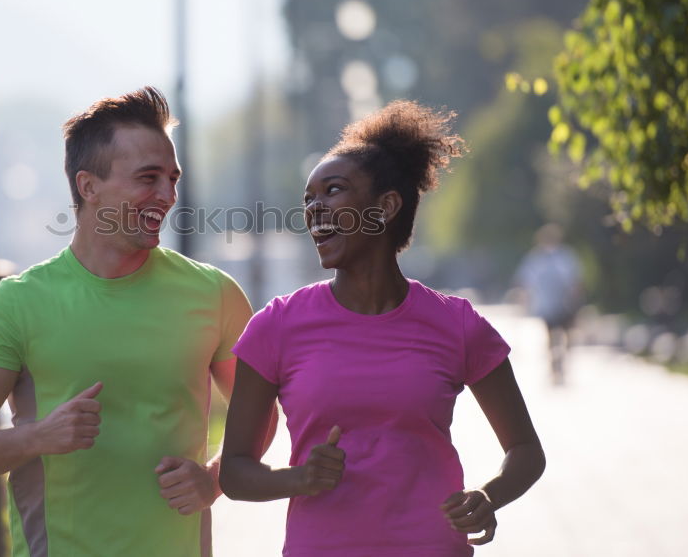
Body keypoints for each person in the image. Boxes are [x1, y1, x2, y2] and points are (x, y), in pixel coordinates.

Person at [0, 87, 270, 557]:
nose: (168, 196)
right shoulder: (19, 303)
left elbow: (262, 411)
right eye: (148, 178)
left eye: (172, 178)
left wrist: (214, 479)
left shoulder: (214, 294)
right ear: (88, 186)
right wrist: (38, 437)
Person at [219, 101, 545, 556]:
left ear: (386, 207)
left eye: (332, 190)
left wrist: (488, 497)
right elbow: (233, 471)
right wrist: (298, 478)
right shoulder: (276, 326)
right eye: (308, 199)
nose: (315, 208)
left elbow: (526, 450)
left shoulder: (458, 325)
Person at [515, 223, 583, 384]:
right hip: (546, 306)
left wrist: (576, 299)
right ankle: (554, 364)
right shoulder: (536, 259)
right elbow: (525, 281)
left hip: (565, 304)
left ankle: (562, 362)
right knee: (551, 335)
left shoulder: (565, 256)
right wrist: (524, 299)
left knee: (566, 335)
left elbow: (575, 280)